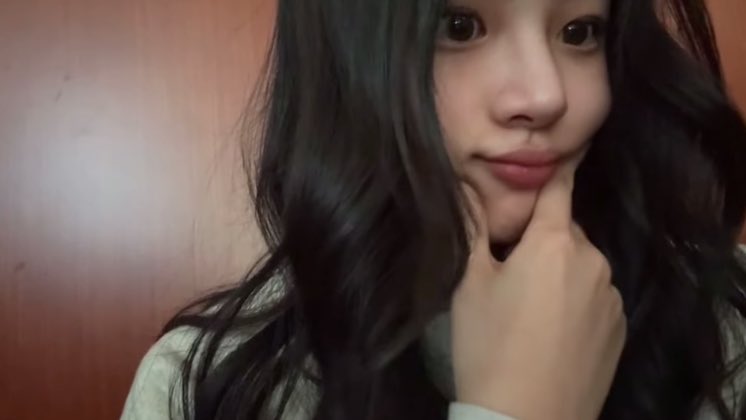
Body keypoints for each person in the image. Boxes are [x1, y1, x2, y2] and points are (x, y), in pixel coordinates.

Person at [121, 0, 746, 418]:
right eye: (460, 26)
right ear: (346, 57)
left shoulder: (726, 328)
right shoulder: (207, 386)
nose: (545, 94)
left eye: (579, 32)